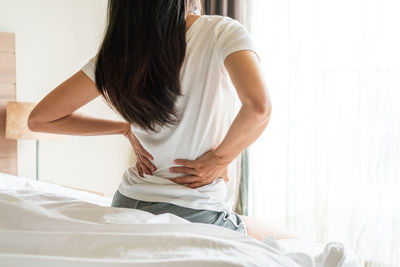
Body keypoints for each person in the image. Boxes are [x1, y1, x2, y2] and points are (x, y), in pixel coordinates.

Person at [28, 0, 297, 241]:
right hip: (195, 212)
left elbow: (40, 119)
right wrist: (218, 159)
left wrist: (124, 129)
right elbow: (259, 107)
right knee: (291, 241)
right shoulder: (221, 32)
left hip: (128, 204)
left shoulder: (118, 54)